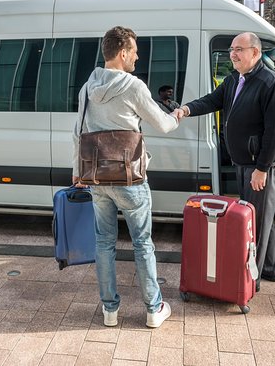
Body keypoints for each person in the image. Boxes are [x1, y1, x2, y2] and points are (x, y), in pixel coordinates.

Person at [72, 26, 179, 328]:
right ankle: (153, 309)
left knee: (104, 243)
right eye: (133, 50)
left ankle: (109, 310)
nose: (137, 55)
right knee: (142, 243)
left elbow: (77, 133)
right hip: (129, 178)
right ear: (122, 53)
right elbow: (163, 124)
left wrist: (77, 172)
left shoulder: (87, 87)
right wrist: (178, 115)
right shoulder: (134, 86)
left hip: (96, 178)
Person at [173, 32, 275, 292]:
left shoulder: (270, 83)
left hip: (260, 165)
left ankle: (250, 281)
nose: (233, 54)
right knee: (260, 217)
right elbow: (213, 100)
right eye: (232, 49)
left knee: (254, 223)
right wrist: (186, 109)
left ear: (255, 53)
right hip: (243, 162)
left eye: (239, 49)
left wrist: (262, 168)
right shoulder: (235, 78)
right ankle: (268, 268)